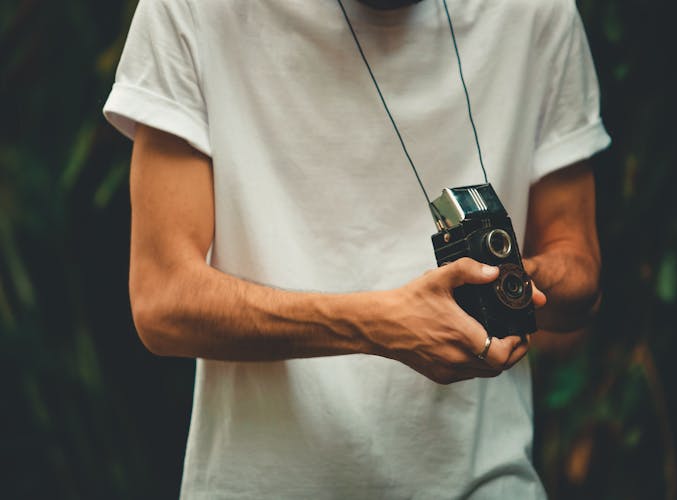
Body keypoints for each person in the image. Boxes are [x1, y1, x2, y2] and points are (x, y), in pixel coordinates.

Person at [103, 0, 610, 497]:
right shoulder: (191, 10)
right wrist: (376, 322)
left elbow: (580, 273)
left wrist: (510, 287)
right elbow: (162, 301)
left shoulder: (538, 13)